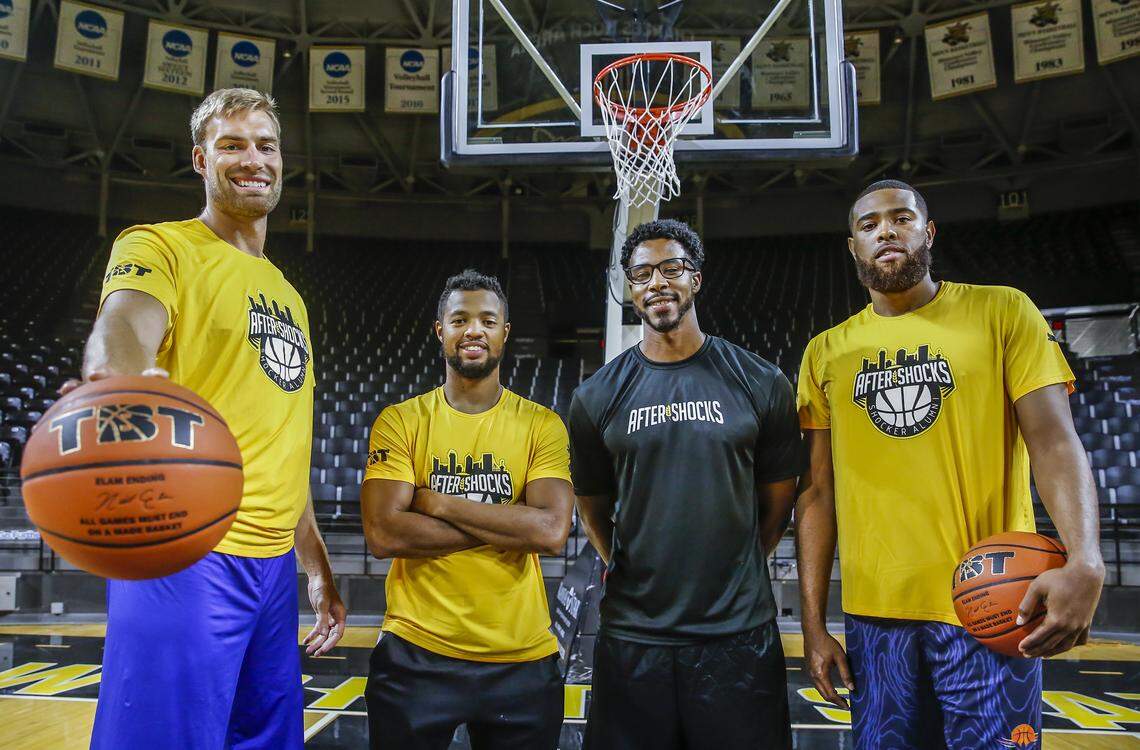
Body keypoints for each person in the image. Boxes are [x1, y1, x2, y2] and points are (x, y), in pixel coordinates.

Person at [74, 88, 346, 749]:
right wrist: (119, 380)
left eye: (267, 144)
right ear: (201, 159)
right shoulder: (163, 246)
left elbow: (283, 446)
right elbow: (124, 327)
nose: (254, 158)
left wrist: (316, 567)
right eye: (233, 144)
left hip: (272, 571)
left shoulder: (290, 297)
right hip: (185, 547)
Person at [795, 179, 1104, 748]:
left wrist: (1085, 559)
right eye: (869, 225)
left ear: (928, 232)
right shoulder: (825, 351)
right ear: (853, 247)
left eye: (902, 218)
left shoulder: (1002, 310)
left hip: (993, 603)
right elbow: (817, 492)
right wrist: (813, 624)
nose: (886, 230)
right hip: (876, 616)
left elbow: (1055, 441)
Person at [567, 219, 804, 749]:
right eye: (642, 273)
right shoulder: (597, 396)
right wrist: (626, 563)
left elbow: (777, 504)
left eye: (672, 269)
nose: (657, 283)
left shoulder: (759, 380)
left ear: (695, 279)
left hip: (737, 634)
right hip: (634, 637)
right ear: (629, 289)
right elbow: (593, 508)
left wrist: (736, 564)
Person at [361, 269, 574, 750]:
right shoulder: (401, 421)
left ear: (505, 332)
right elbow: (384, 535)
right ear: (441, 330)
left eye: (487, 320)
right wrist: (509, 521)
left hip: (522, 657)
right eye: (459, 319)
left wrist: (437, 503)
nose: (473, 330)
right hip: (416, 651)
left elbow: (551, 532)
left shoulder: (542, 425)